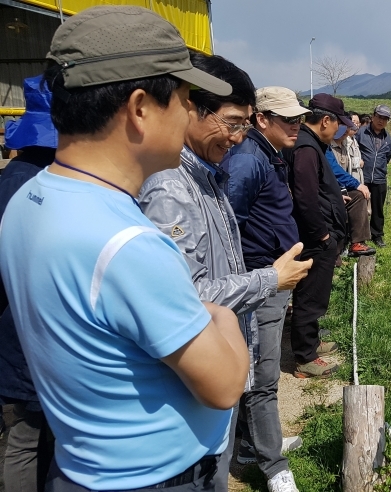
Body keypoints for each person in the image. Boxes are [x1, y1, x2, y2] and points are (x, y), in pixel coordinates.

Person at [0, 6, 248, 491]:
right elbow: (223, 385)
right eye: (185, 98)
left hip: (80, 466)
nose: (190, 115)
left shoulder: (30, 199)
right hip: (155, 479)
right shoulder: (127, 245)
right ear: (139, 108)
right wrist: (225, 317)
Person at [138, 56, 312, 492]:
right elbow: (187, 293)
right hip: (197, 371)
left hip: (217, 355)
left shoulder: (205, 175)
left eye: (244, 126)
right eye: (233, 123)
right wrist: (270, 279)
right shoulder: (169, 188)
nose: (238, 138)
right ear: (191, 109)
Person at [219, 86, 310, 491]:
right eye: (288, 119)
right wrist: (261, 277)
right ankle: (274, 466)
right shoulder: (248, 162)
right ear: (261, 119)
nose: (296, 125)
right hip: (260, 283)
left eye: (298, 118)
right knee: (262, 376)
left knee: (257, 369)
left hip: (271, 280)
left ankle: (250, 447)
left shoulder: (268, 156)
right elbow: (226, 229)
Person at [0, 74, 58, 492]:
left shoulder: (13, 178)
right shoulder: (43, 183)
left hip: (18, 328)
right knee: (26, 438)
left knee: (27, 436)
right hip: (28, 331)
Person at [285, 94, 355, 378]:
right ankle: (304, 357)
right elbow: (305, 197)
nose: (339, 129)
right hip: (316, 238)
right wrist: (323, 235)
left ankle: (311, 341)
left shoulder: (311, 144)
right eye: (338, 123)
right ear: (325, 120)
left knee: (314, 292)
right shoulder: (306, 148)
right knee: (310, 295)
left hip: (319, 235)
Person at [327, 122, 375, 257]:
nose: (347, 131)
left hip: (339, 186)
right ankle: (336, 251)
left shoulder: (343, 145)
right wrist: (352, 185)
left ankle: (357, 242)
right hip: (326, 190)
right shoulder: (326, 145)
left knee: (359, 196)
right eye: (345, 128)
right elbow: (333, 170)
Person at [355, 105, 391, 247]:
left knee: (378, 208)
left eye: (385, 118)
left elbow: (387, 156)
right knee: (360, 208)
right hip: (362, 177)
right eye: (379, 117)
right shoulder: (361, 133)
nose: (381, 120)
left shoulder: (388, 138)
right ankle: (359, 236)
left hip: (379, 177)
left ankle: (377, 235)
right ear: (373, 116)